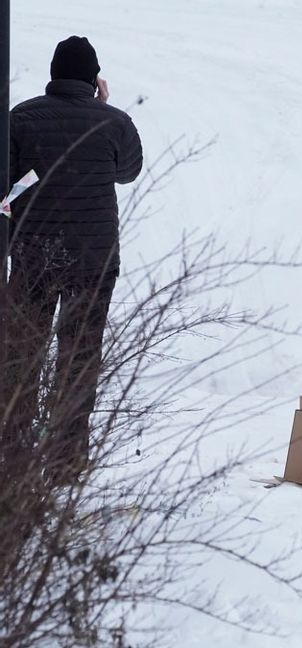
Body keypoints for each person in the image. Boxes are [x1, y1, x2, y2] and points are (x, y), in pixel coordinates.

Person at [2, 36, 143, 480]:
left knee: (22, 352)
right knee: (79, 356)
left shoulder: (20, 119)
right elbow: (128, 171)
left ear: (53, 75)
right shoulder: (114, 122)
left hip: (33, 256)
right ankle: (65, 461)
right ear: (92, 78)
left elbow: (6, 184)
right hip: (93, 261)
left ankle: (15, 453)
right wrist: (104, 106)